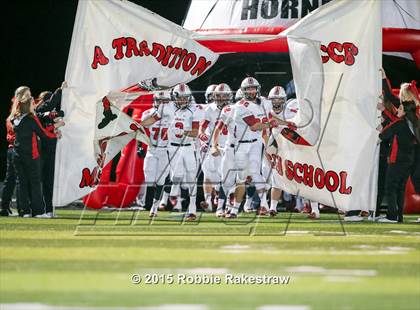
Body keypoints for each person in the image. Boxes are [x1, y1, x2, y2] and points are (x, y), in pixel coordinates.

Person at [10, 87, 62, 217]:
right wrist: (55, 132)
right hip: (31, 155)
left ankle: (25, 211)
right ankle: (38, 212)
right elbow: (43, 134)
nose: (34, 102)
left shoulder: (14, 118)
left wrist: (52, 124)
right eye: (32, 101)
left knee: (22, 183)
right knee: (34, 183)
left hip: (17, 155)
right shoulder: (31, 118)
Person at [378, 102, 417, 223]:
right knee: (400, 189)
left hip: (397, 160)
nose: (397, 110)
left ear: (405, 112)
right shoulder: (414, 124)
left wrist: (380, 129)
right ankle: (399, 216)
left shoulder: (400, 123)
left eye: (400, 108)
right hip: (409, 161)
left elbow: (383, 135)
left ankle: (391, 216)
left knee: (391, 188)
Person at [35, 82, 67, 216]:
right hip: (40, 151)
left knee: (48, 181)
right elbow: (48, 107)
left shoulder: (47, 115)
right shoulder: (38, 111)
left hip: (49, 151)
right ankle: (38, 209)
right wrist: (60, 90)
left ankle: (48, 209)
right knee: (39, 181)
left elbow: (58, 120)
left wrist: (57, 127)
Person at [1, 96, 21, 216]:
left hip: (11, 149)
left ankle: (4, 207)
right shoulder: (17, 118)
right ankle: (21, 208)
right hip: (18, 150)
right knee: (20, 180)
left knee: (10, 180)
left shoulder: (9, 118)